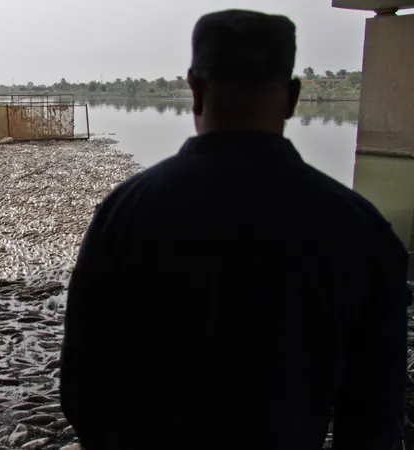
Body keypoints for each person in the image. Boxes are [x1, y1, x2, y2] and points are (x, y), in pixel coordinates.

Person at [60, 9, 409, 450]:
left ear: (195, 90)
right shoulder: (362, 229)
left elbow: (81, 384)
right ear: (293, 96)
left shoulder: (126, 212)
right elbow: (375, 415)